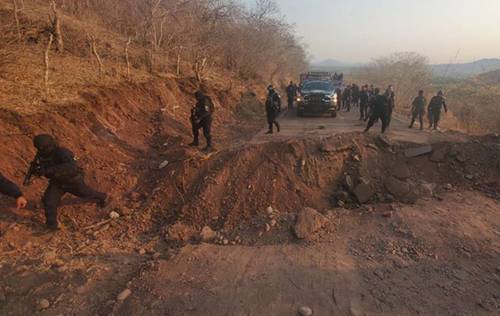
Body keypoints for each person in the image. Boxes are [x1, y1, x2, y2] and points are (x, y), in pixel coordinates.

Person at [26, 134, 108, 230]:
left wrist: (48, 170)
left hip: (72, 181)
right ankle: (52, 226)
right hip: (57, 183)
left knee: (86, 193)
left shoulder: (62, 152)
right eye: (40, 148)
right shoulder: (41, 155)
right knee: (49, 201)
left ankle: (103, 197)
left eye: (44, 148)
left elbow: (71, 166)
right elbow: (41, 168)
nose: (42, 150)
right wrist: (37, 171)